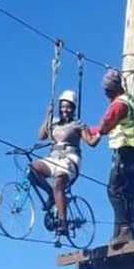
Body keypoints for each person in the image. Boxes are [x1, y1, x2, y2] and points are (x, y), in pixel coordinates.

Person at [90, 69, 134, 249]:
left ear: (111, 90)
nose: (105, 94)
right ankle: (126, 230)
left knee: (114, 190)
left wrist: (87, 131)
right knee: (128, 191)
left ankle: (124, 229)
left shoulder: (118, 105)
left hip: (124, 150)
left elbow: (105, 126)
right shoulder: (130, 99)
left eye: (106, 91)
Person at [28, 90, 100, 235]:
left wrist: (101, 132)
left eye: (68, 107)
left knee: (59, 181)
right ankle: (51, 195)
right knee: (32, 169)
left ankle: (63, 222)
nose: (64, 110)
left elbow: (91, 142)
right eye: (62, 106)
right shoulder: (54, 123)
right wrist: (48, 115)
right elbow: (41, 136)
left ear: (73, 108)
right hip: (53, 158)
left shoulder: (78, 124)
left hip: (70, 159)